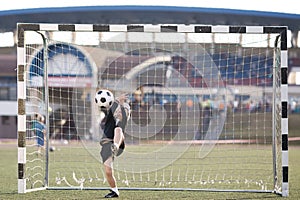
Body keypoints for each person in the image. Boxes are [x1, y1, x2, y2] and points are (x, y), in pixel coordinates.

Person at [99, 93, 130, 198]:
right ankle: (114, 191)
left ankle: (115, 146)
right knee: (108, 172)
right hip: (106, 147)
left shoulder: (122, 122)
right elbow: (113, 110)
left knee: (118, 129)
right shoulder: (110, 119)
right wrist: (117, 102)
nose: (120, 112)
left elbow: (124, 116)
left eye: (123, 111)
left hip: (118, 145)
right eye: (119, 111)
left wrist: (119, 102)